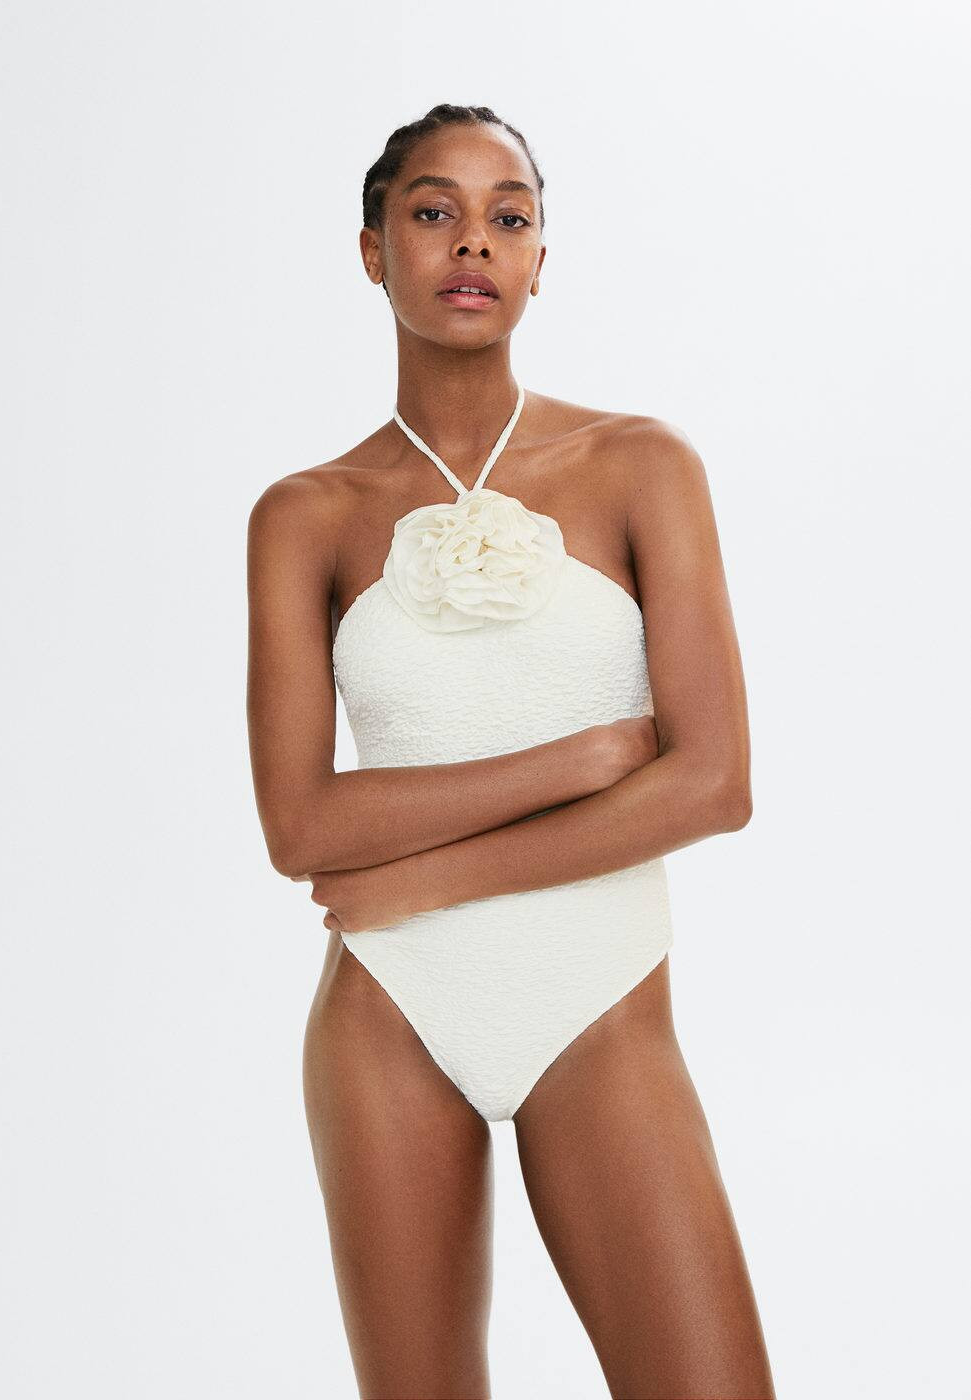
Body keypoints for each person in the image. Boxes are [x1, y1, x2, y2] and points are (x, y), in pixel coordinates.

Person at [246, 102, 774, 1400]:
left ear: (541, 258)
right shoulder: (304, 515)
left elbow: (713, 784)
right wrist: (582, 759)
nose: (472, 241)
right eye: (433, 211)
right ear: (373, 251)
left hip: (600, 1002)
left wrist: (429, 873)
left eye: (509, 215)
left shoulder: (640, 464)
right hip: (387, 1016)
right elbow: (303, 828)